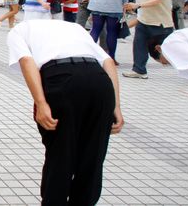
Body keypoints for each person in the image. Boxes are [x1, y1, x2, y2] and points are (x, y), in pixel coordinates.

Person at [7, 19, 124, 205]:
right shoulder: (75, 28)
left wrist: (41, 102)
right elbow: (108, 61)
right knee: (93, 156)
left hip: (62, 81)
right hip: (99, 82)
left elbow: (27, 61)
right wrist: (116, 106)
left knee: (60, 155)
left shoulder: (19, 30)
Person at [123, 0, 174, 79]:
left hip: (160, 24)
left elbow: (156, 0)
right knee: (139, 45)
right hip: (144, 21)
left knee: (165, 55)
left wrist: (137, 5)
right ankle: (139, 70)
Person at [154, 28, 188, 125]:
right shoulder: (186, 36)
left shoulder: (169, 43)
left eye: (162, 61)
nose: (165, 64)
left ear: (158, 48)